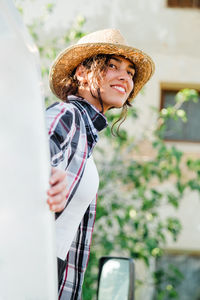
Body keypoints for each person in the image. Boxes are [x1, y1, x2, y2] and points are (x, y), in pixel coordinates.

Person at [45, 28, 155, 299]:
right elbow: (34, 157)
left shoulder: (86, 136)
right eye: (111, 66)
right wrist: (43, 175)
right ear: (82, 72)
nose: (124, 77)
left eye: (130, 72)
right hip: (33, 273)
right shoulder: (67, 115)